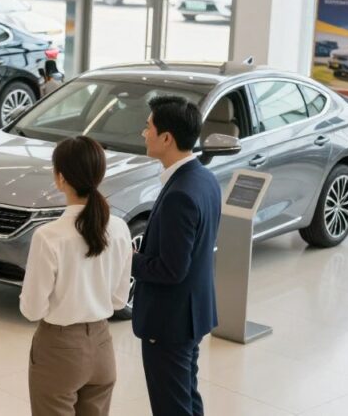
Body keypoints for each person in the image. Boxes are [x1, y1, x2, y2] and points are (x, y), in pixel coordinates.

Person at [20, 135, 133, 416]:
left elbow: (32, 309)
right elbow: (120, 300)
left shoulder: (49, 236)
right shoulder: (119, 228)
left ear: (60, 178)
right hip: (102, 347)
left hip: (59, 349)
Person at [133, 95, 222, 416]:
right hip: (192, 313)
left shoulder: (180, 194)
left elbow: (170, 269)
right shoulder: (205, 179)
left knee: (171, 406)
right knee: (186, 396)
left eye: (148, 127)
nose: (144, 134)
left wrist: (127, 258)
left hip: (169, 320)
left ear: (167, 137)